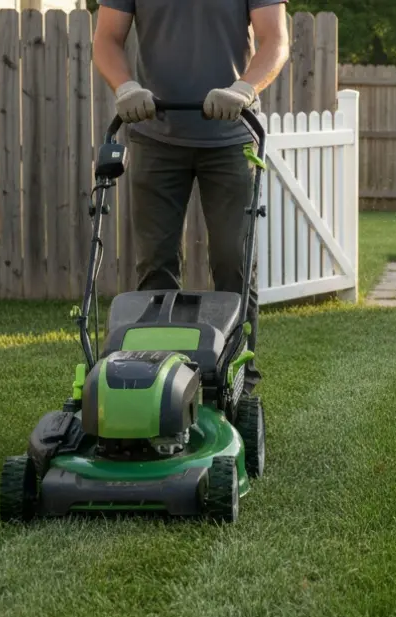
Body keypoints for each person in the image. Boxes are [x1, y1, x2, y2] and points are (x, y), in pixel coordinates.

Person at [92, 0, 288, 391]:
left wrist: (244, 89)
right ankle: (158, 377)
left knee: (233, 258)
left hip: (231, 136)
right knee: (156, 262)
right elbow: (107, 39)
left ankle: (236, 378)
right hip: (154, 134)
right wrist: (126, 86)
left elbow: (275, 40)